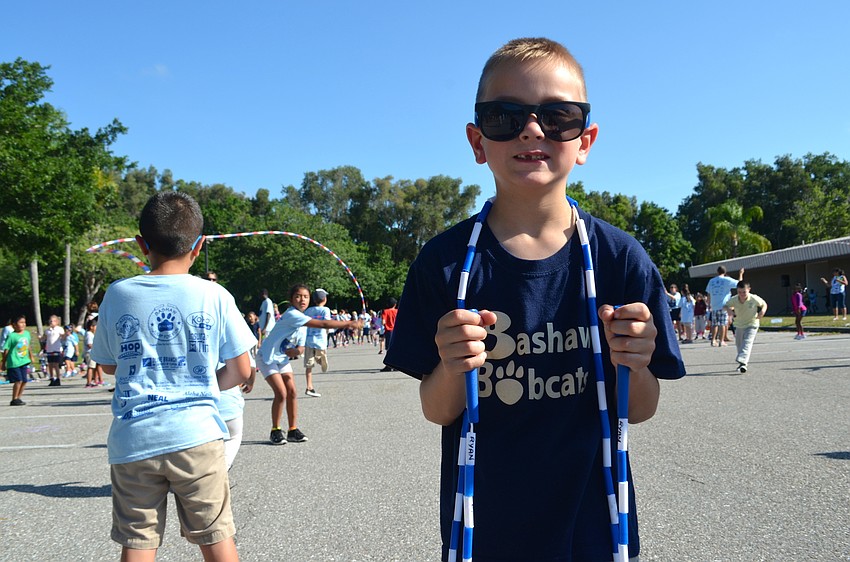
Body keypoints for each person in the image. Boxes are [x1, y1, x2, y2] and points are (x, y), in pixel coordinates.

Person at [383, 37, 685, 561]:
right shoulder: (447, 263)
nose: (531, 129)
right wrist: (455, 366)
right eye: (505, 115)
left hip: (594, 522)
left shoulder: (620, 259)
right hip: (484, 527)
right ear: (478, 142)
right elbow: (436, 410)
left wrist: (634, 363)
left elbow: (641, 408)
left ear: (585, 140)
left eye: (558, 115)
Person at [90, 191, 256, 561]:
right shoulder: (214, 294)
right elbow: (241, 370)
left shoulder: (118, 294)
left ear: (140, 245)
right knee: (216, 539)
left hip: (133, 439)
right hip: (196, 433)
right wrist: (198, 386)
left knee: (138, 543)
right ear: (198, 246)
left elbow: (108, 364)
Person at [257, 284, 360, 445]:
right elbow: (324, 325)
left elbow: (301, 347)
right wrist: (348, 323)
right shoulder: (292, 315)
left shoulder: (302, 318)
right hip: (266, 357)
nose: (302, 299)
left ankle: (292, 430)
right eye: (298, 296)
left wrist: (296, 351)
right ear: (291, 299)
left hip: (281, 358)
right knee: (281, 393)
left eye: (305, 296)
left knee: (292, 392)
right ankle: (275, 430)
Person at [724, 281, 767, 373]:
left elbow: (764, 304)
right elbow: (725, 305)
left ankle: (742, 361)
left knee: (747, 342)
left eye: (744, 292)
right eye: (739, 292)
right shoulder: (734, 299)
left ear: (749, 290)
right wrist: (729, 310)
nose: (742, 295)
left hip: (752, 323)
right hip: (739, 325)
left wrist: (762, 311)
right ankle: (743, 364)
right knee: (739, 345)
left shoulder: (754, 298)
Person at [303, 288, 332, 398]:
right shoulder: (326, 310)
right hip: (320, 339)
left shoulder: (308, 311)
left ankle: (309, 386)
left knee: (308, 365)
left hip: (309, 340)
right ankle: (321, 359)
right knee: (320, 355)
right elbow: (327, 323)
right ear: (324, 299)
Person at [706, 266, 745, 347]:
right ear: (725, 272)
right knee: (723, 324)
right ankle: (721, 340)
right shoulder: (727, 279)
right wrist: (741, 273)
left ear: (717, 271)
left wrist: (709, 304)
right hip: (723, 305)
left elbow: (708, 293)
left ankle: (713, 340)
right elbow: (739, 283)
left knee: (714, 324)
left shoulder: (712, 281)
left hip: (714, 305)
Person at [3, 315, 35, 406]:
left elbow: (28, 346)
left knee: (24, 380)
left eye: (24, 322)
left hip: (24, 360)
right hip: (14, 361)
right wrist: (3, 362)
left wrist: (31, 356)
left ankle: (18, 397)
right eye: (20, 322)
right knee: (18, 380)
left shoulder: (27, 334)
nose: (23, 324)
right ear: (14, 325)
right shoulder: (12, 336)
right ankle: (14, 399)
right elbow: (6, 350)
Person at [42, 314, 64, 386]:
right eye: (51, 321)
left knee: (56, 364)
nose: (52, 322)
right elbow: (44, 338)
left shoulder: (59, 329)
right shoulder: (47, 330)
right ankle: (52, 378)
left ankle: (58, 378)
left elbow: (63, 336)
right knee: (50, 364)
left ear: (57, 322)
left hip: (56, 349)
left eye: (54, 321)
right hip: (49, 350)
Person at [378, 299, 398, 371]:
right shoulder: (397, 311)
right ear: (395, 304)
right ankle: (397, 365)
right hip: (396, 330)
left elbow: (383, 322)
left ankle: (389, 365)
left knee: (389, 348)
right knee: (396, 347)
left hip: (389, 330)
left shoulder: (385, 311)